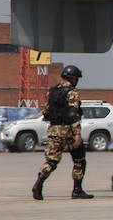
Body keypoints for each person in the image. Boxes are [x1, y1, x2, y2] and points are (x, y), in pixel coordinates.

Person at [32, 64, 92, 200]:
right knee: (79, 159)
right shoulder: (72, 92)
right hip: (68, 131)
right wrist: (77, 134)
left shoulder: (51, 92)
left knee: (51, 161)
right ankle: (77, 190)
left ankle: (38, 183)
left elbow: (46, 111)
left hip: (53, 130)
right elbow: (73, 114)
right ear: (72, 78)